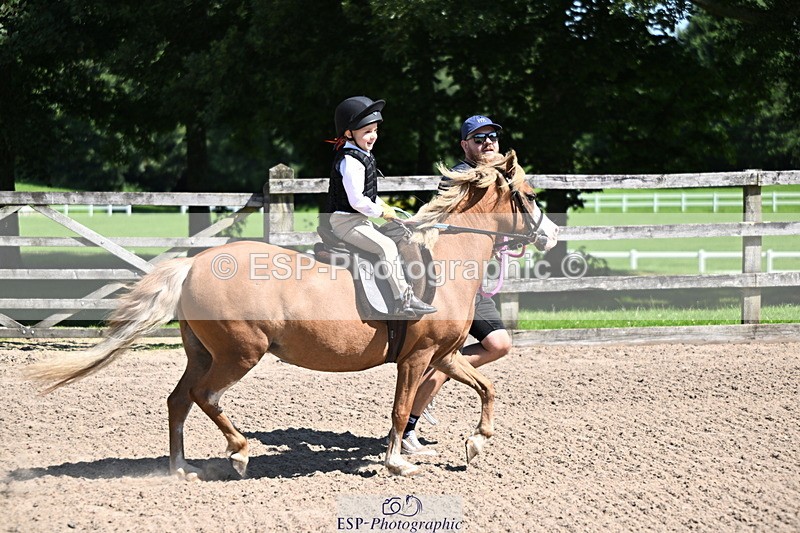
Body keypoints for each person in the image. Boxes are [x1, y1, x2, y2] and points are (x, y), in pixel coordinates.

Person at [399, 115, 512, 455]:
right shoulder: (455, 182)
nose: (488, 143)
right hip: (449, 285)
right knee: (448, 356)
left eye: (492, 137)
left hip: (470, 285)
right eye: (479, 139)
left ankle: (437, 375)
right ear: (465, 145)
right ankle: (409, 427)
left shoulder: (500, 181)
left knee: (499, 343)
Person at [326, 96, 436, 317]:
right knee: (386, 246)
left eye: (375, 130)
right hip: (346, 223)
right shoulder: (351, 161)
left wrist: (389, 210)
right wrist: (381, 211)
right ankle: (404, 299)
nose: (373, 136)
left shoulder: (363, 156)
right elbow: (357, 201)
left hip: (358, 220)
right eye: (367, 131)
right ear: (349, 133)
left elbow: (370, 196)